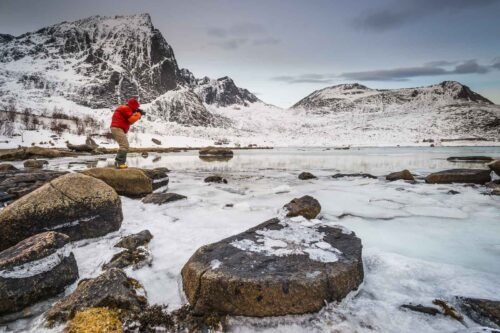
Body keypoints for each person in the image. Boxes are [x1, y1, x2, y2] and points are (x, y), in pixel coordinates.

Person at [110, 98, 145, 169]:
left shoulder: (126, 109)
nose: (137, 109)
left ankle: (118, 163)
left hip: (117, 128)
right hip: (117, 128)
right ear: (133, 106)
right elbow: (131, 119)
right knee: (124, 145)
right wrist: (139, 114)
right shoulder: (126, 108)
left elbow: (129, 122)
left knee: (124, 145)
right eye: (136, 107)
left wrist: (137, 114)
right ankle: (120, 163)